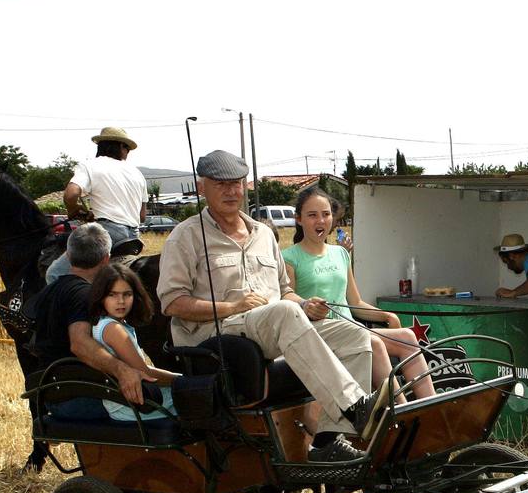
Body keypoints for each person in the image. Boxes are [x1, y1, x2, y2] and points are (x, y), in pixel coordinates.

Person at [158, 150, 378, 463]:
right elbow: (172, 303)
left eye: (236, 183)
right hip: (216, 339)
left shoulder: (263, 233)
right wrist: (230, 306)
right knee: (284, 313)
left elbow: (285, 292)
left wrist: (305, 304)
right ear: (201, 187)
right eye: (220, 184)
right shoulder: (186, 236)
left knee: (354, 335)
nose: (231, 191)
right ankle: (355, 406)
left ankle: (328, 439)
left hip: (270, 328)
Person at [283, 185, 435, 404]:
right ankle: (403, 411)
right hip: (319, 335)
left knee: (408, 337)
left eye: (326, 214)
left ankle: (430, 407)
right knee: (374, 342)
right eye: (312, 215)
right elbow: (287, 300)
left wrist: (386, 315)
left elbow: (355, 302)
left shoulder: (340, 253)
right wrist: (307, 305)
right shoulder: (289, 257)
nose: (321, 221)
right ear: (299, 219)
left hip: (351, 329)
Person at [27, 223, 156, 420]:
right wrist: (122, 370)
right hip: (80, 396)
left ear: (69, 256)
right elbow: (79, 343)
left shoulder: (49, 291)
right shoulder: (84, 295)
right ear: (106, 259)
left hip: (52, 393)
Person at [49, 126, 148, 283]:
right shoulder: (137, 174)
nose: (128, 152)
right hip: (134, 238)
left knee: (54, 273)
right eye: (127, 148)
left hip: (106, 233)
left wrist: (74, 211)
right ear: (119, 146)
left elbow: (70, 195)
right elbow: (142, 216)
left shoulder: (90, 166)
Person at [89, 262, 177, 422]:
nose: (121, 301)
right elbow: (146, 373)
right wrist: (182, 380)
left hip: (131, 401)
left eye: (127, 294)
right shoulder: (112, 328)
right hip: (132, 405)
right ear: (101, 297)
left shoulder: (110, 323)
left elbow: (141, 367)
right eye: (112, 295)